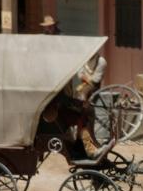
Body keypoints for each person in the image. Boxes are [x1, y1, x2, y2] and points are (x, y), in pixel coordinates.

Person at [40, 16, 114, 163]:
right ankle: (90, 149)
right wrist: (79, 104)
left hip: (61, 105)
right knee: (82, 116)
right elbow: (61, 97)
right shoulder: (54, 70)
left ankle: (85, 146)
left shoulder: (61, 40)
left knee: (85, 113)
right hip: (54, 112)